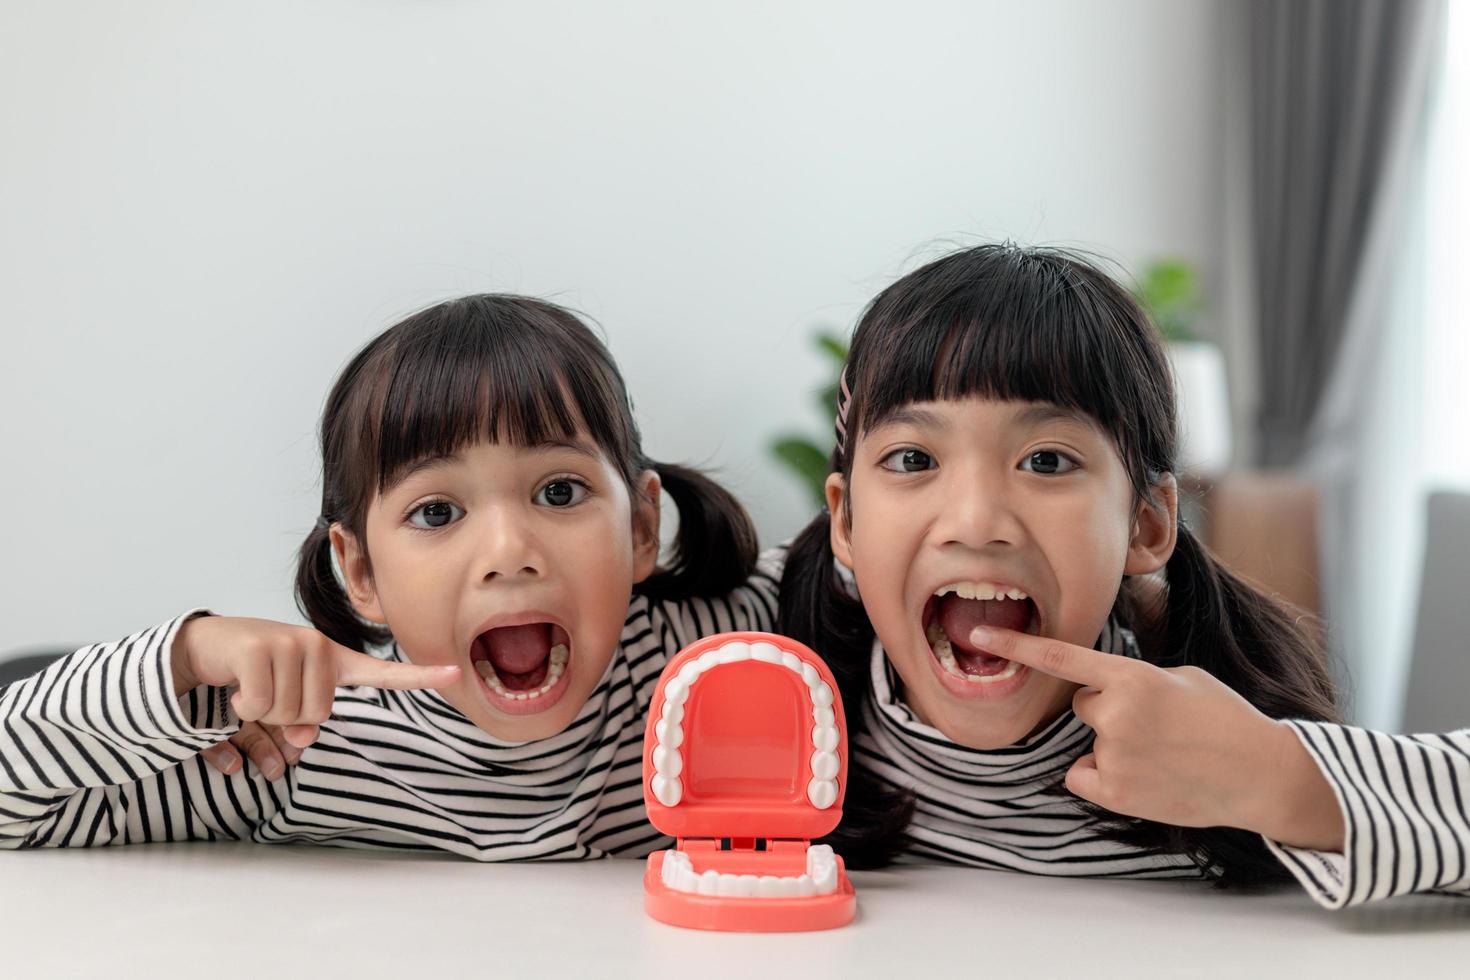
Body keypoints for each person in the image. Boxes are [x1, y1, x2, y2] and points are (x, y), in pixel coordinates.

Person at [777, 243, 1454, 907]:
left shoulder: (1208, 750)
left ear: (1147, 524)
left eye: (1045, 461)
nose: (976, 522)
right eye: (912, 459)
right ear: (847, 521)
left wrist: (1278, 779)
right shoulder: (769, 662)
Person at [0, 294, 779, 859]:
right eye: (438, 513)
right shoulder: (298, 746)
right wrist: (190, 653)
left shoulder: (722, 660)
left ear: (641, 527)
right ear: (360, 571)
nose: (510, 550)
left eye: (559, 492)